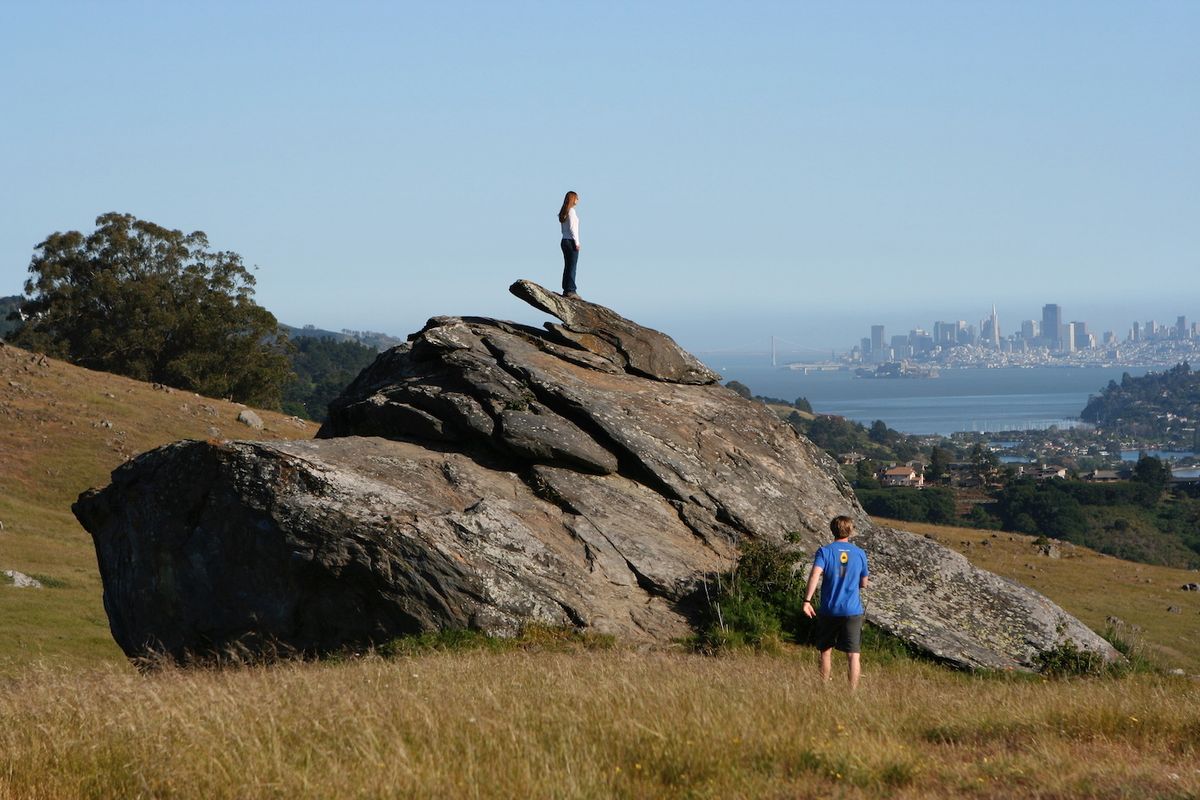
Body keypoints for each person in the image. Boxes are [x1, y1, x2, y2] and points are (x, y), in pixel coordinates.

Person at [802, 515, 870, 690]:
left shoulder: (825, 552)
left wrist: (807, 600)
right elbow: (864, 583)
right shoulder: (860, 553)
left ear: (832, 530)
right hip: (852, 610)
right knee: (853, 655)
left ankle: (823, 688)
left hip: (829, 609)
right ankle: (852, 693)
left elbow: (815, 575)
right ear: (850, 530)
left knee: (825, 651)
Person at [557, 191, 580, 298]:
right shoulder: (571, 211)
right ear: (573, 199)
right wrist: (577, 242)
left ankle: (566, 289)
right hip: (570, 241)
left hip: (564, 240)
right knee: (572, 266)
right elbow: (572, 228)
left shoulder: (564, 211)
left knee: (567, 266)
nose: (578, 200)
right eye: (577, 198)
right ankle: (571, 290)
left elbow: (564, 229)